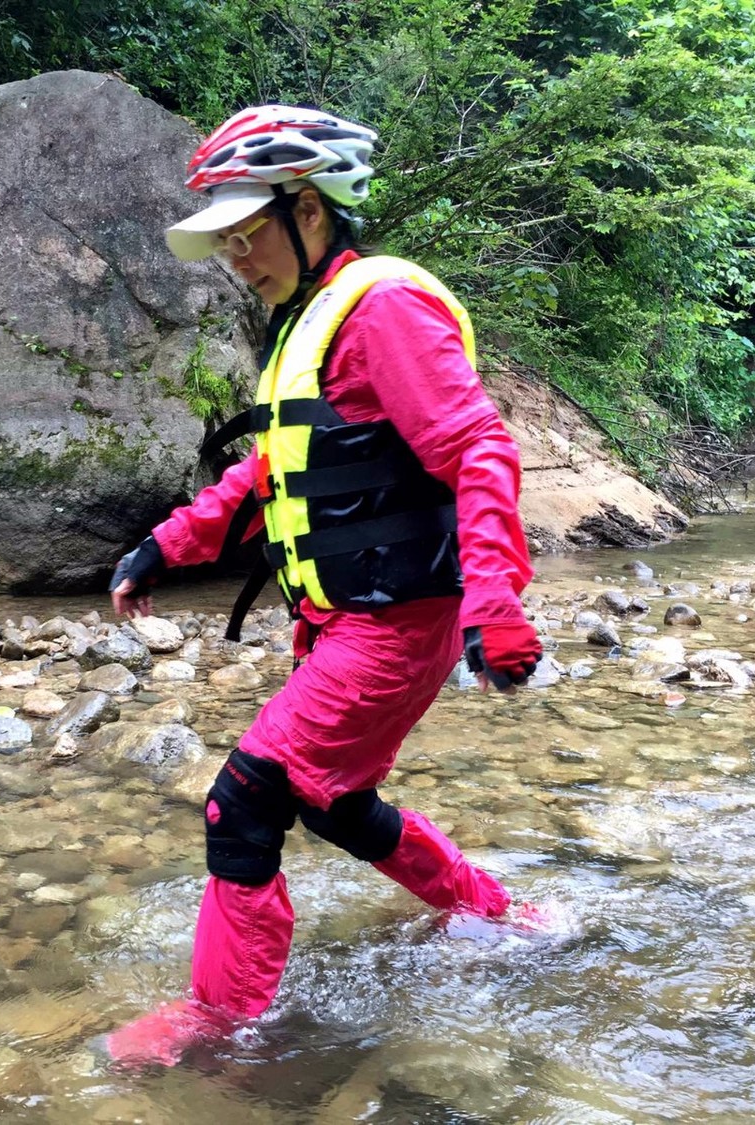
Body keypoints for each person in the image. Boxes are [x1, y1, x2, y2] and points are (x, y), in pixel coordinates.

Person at [103, 104, 544, 1067]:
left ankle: (221, 1025)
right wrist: (163, 548)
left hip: (395, 624)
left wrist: (495, 600)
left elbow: (477, 447)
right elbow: (272, 471)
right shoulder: (309, 323)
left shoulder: (382, 308)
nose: (235, 258)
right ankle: (494, 911)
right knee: (333, 800)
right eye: (223, 240)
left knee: (244, 802)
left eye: (246, 233)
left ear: (309, 208)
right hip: (346, 624)